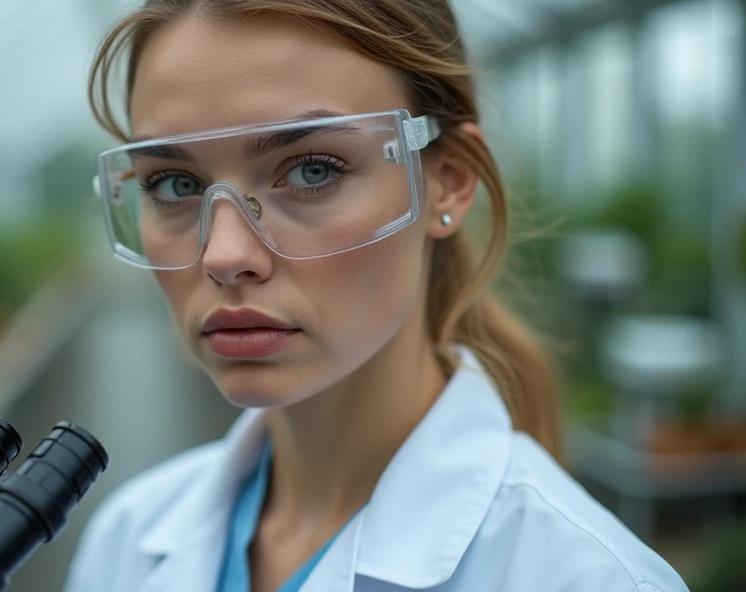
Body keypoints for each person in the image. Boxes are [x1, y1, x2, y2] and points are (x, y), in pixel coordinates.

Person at [64, 1, 688, 591]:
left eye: (312, 170)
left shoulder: (587, 577)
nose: (225, 255)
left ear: (448, 181)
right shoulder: (126, 541)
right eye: (174, 183)